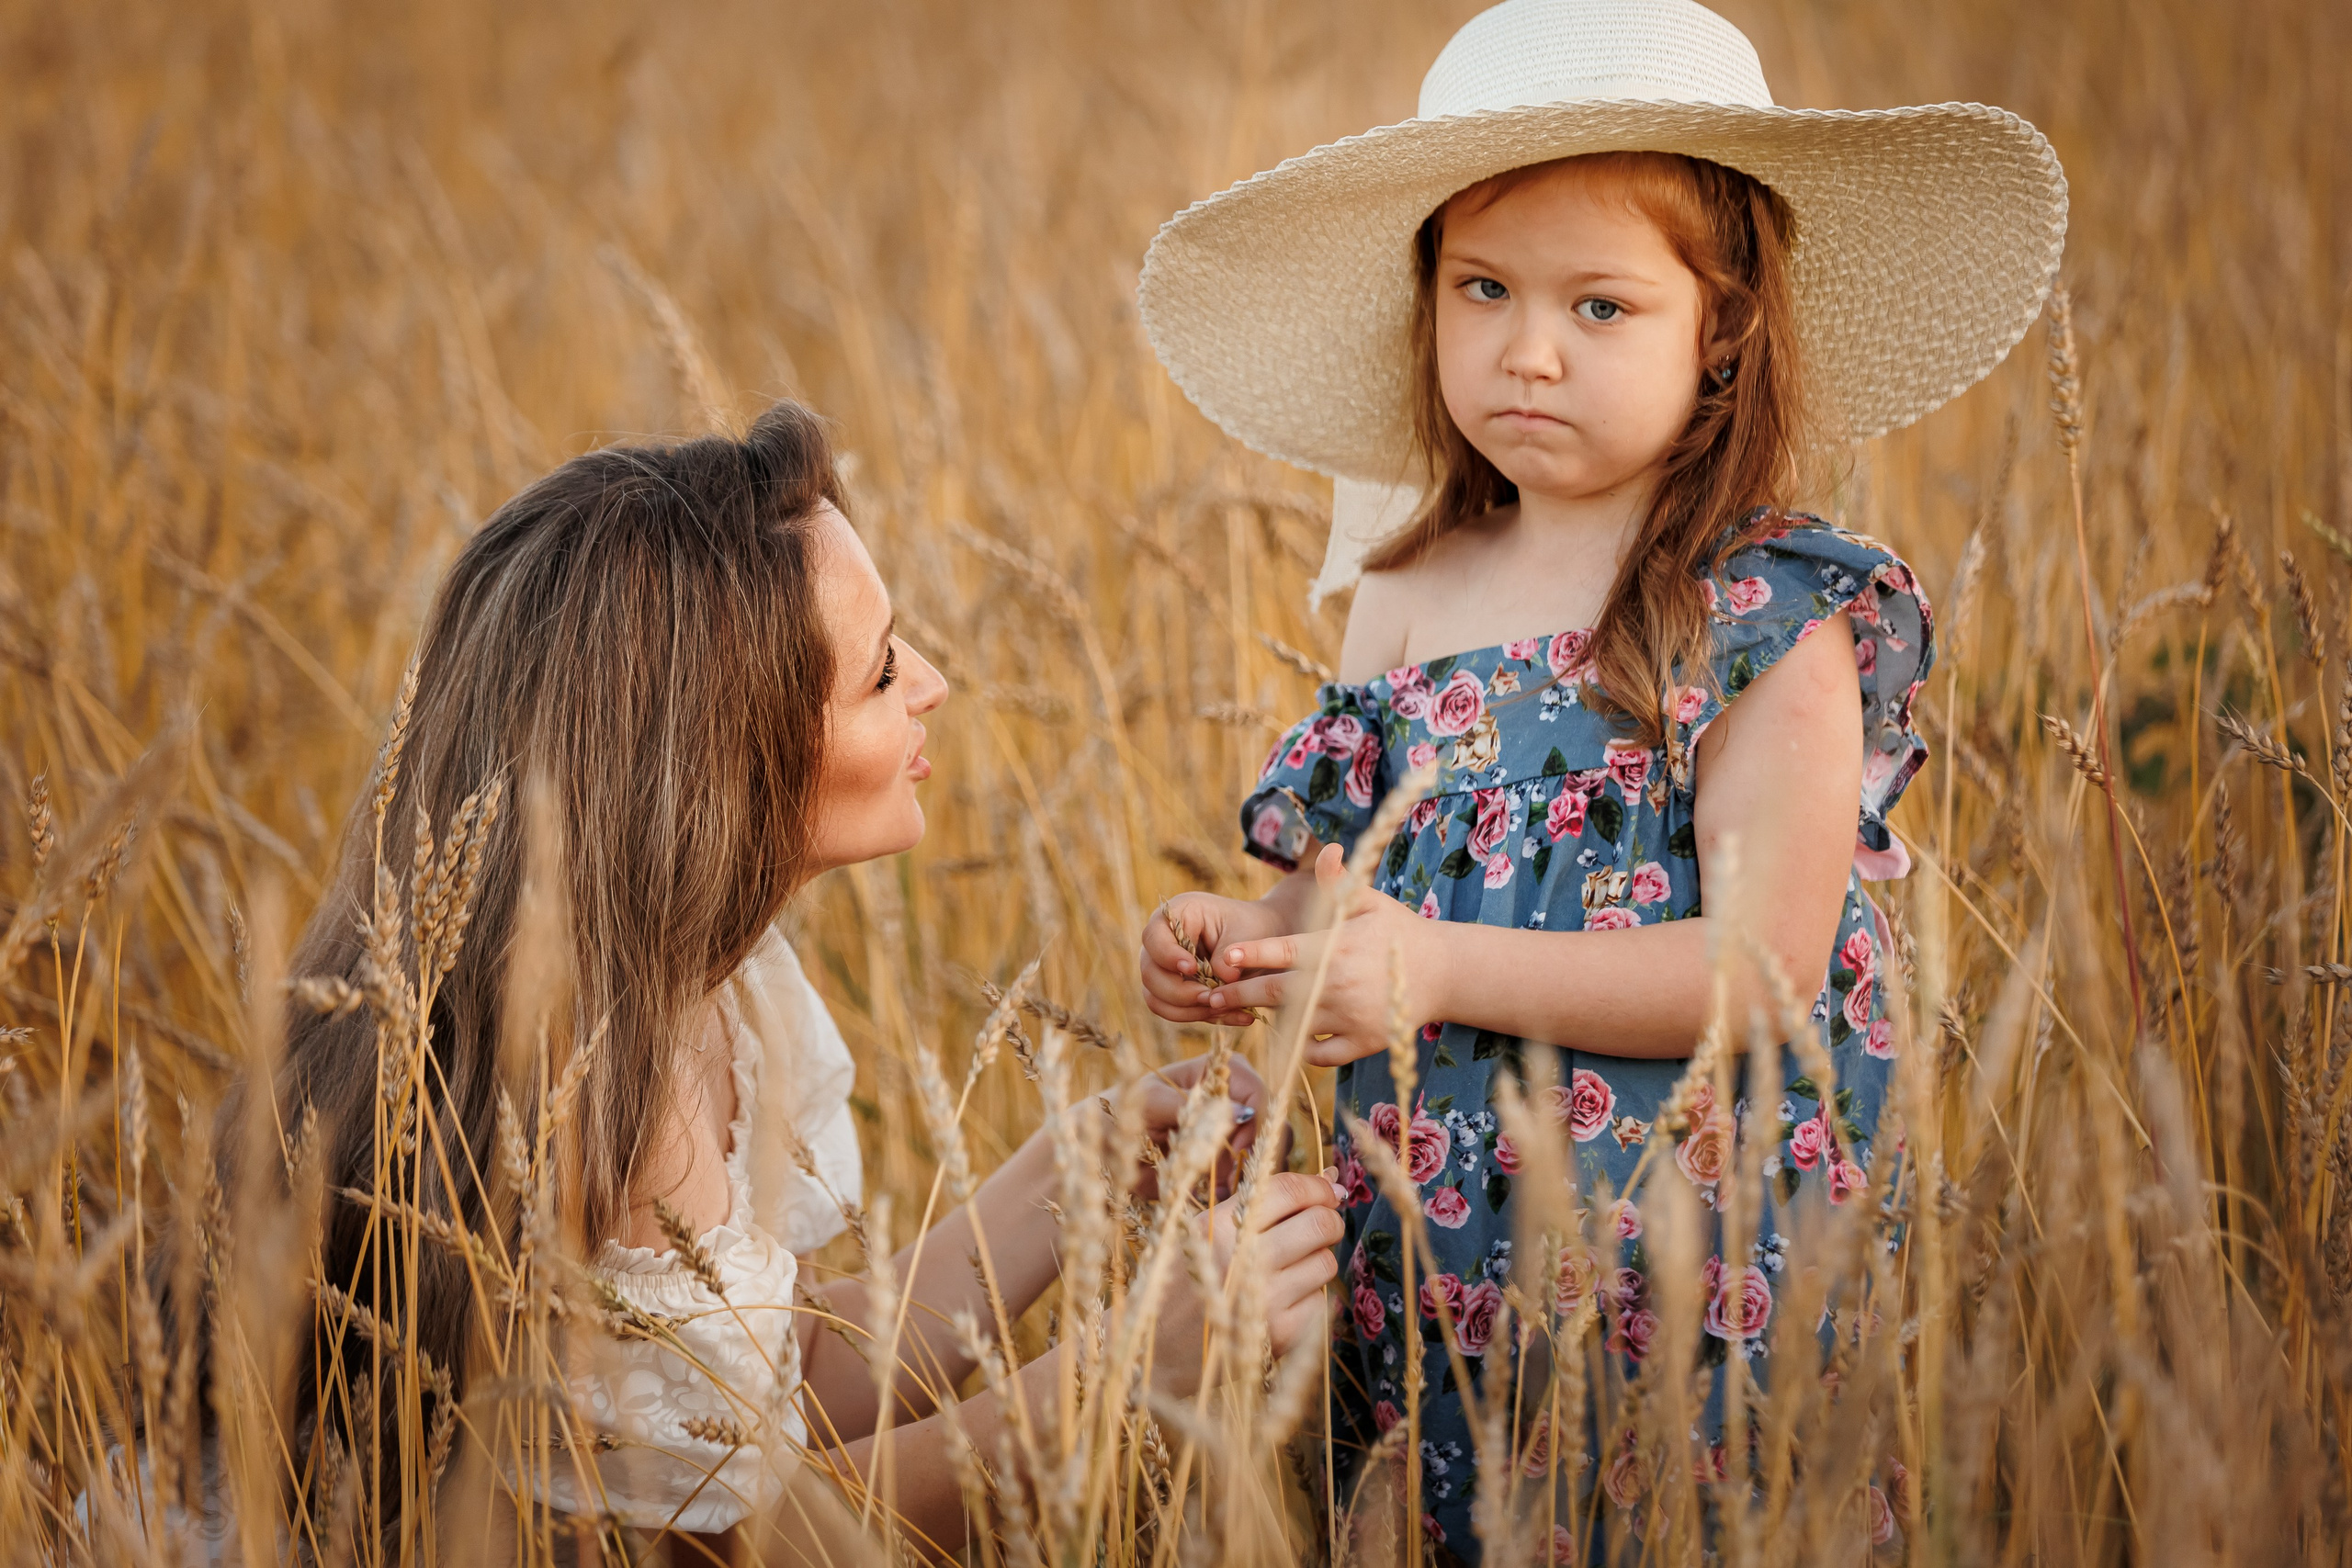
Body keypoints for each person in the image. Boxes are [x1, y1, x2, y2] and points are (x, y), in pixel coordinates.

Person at [1134, 0, 2064, 1554]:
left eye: (1602, 306)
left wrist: (1427, 966)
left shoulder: (1768, 613)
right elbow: (1332, 904)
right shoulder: (1408, 588)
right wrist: (1233, 940)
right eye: (1483, 288)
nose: (1529, 348)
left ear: (1726, 328)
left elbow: (1759, 972)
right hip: (1435, 1274)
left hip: (1691, 1292)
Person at [243, 401, 1344, 1559]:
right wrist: (1128, 1369)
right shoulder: (595, 1092)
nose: (932, 682)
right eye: (877, 673)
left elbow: (786, 1381)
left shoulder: (722, 992)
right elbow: (711, 1546)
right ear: (730, 754)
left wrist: (1078, 1165)